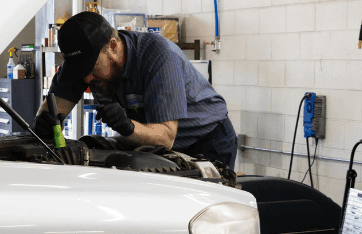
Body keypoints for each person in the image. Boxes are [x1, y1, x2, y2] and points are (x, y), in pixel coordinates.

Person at [31, 11, 238, 169]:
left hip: (207, 140)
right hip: (155, 144)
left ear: (112, 46)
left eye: (90, 68)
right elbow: (52, 110)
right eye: (79, 70)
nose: (86, 78)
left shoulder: (158, 57)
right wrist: (43, 122)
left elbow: (166, 137)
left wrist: (127, 126)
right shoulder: (85, 63)